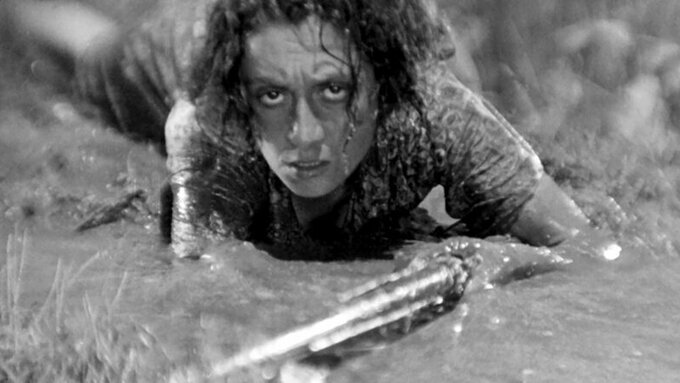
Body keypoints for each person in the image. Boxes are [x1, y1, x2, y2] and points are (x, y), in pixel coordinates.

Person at [5, 0, 619, 263]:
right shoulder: (219, 121)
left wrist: (495, 262)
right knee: (85, 56)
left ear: (386, 84)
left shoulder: (442, 115)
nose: (303, 134)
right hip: (170, 49)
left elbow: (593, 251)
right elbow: (200, 273)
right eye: (274, 98)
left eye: (335, 92)